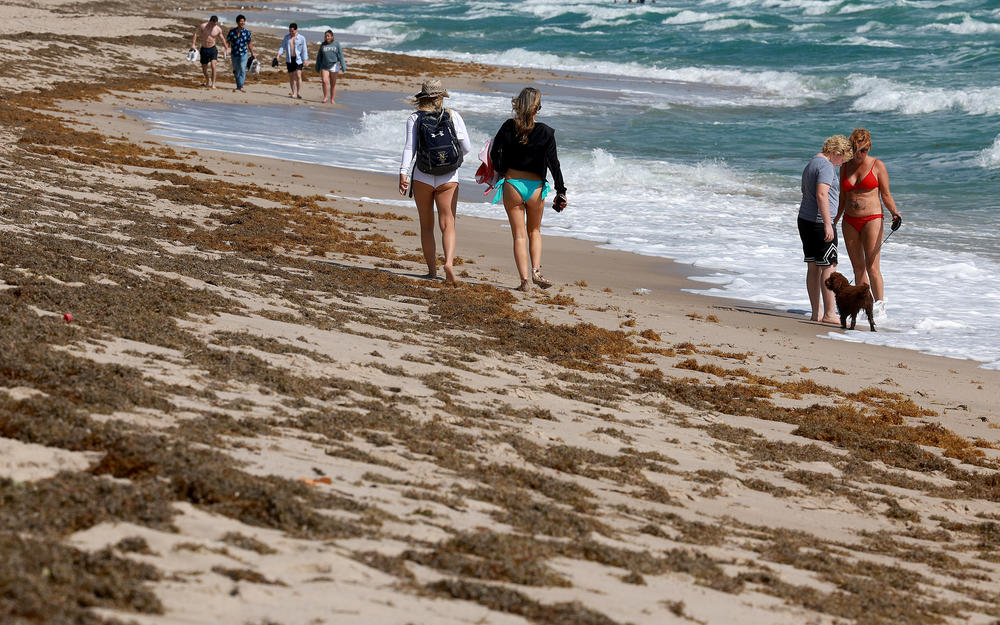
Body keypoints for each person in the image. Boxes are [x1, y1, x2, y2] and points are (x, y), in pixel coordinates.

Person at [489, 87, 567, 292]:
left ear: (518, 105)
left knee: (519, 235)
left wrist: (502, 170)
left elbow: (494, 153)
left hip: (513, 184)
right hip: (536, 188)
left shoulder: (508, 126)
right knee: (535, 231)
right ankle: (536, 271)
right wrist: (561, 191)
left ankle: (524, 281)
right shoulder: (546, 132)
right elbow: (554, 164)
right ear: (537, 108)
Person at [398, 80, 472, 284]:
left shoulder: (414, 118)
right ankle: (448, 262)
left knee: (426, 225)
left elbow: (409, 148)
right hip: (448, 177)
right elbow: (466, 147)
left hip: (422, 175)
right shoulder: (452, 115)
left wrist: (403, 173)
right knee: (448, 223)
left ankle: (432, 271)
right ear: (441, 97)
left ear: (422, 98)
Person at [835, 128, 902, 323]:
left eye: (863, 150)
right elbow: (842, 196)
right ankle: (864, 304)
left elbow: (886, 194)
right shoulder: (845, 166)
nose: (859, 154)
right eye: (856, 150)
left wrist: (894, 213)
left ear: (869, 147)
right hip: (849, 220)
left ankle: (880, 306)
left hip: (872, 218)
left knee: (872, 266)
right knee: (858, 267)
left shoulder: (877, 165)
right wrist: (835, 219)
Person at [798, 135, 852, 323]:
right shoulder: (826, 166)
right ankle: (829, 313)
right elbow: (822, 194)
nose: (840, 164)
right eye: (842, 159)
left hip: (805, 219)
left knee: (813, 267)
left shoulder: (812, 163)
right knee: (828, 267)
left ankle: (816, 313)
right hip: (820, 223)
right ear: (836, 152)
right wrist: (829, 223)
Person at [191, 16, 229, 88]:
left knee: (213, 66)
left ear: (216, 23)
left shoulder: (218, 29)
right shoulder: (203, 26)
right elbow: (196, 34)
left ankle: (213, 84)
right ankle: (208, 80)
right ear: (209, 21)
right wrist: (193, 44)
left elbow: (222, 39)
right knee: (204, 69)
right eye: (212, 24)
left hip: (212, 49)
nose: (213, 26)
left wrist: (226, 48)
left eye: (214, 24)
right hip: (204, 49)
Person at [274, 23, 308, 99]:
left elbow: (304, 49)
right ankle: (294, 93)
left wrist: (305, 59)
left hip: (298, 59)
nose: (291, 32)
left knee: (298, 75)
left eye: (292, 31)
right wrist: (278, 55)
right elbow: (282, 47)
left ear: (296, 30)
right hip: (289, 59)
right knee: (291, 77)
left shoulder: (302, 38)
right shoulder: (286, 38)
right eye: (290, 31)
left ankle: (298, 92)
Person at [315, 30, 347, 104]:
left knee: (333, 83)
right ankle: (325, 97)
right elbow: (319, 56)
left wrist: (343, 65)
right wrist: (317, 66)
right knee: (324, 81)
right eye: (325, 36)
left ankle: (332, 99)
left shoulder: (337, 44)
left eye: (328, 36)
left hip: (334, 65)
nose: (327, 37)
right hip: (324, 65)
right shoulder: (323, 45)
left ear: (332, 36)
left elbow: (341, 55)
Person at [226, 15, 254, 93]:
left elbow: (250, 43)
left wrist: (252, 53)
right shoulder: (232, 32)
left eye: (243, 21)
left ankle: (241, 86)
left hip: (243, 53)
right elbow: (228, 41)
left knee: (242, 68)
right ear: (237, 22)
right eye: (241, 21)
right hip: (234, 54)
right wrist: (226, 49)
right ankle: (239, 85)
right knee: (236, 70)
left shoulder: (247, 33)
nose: (242, 22)